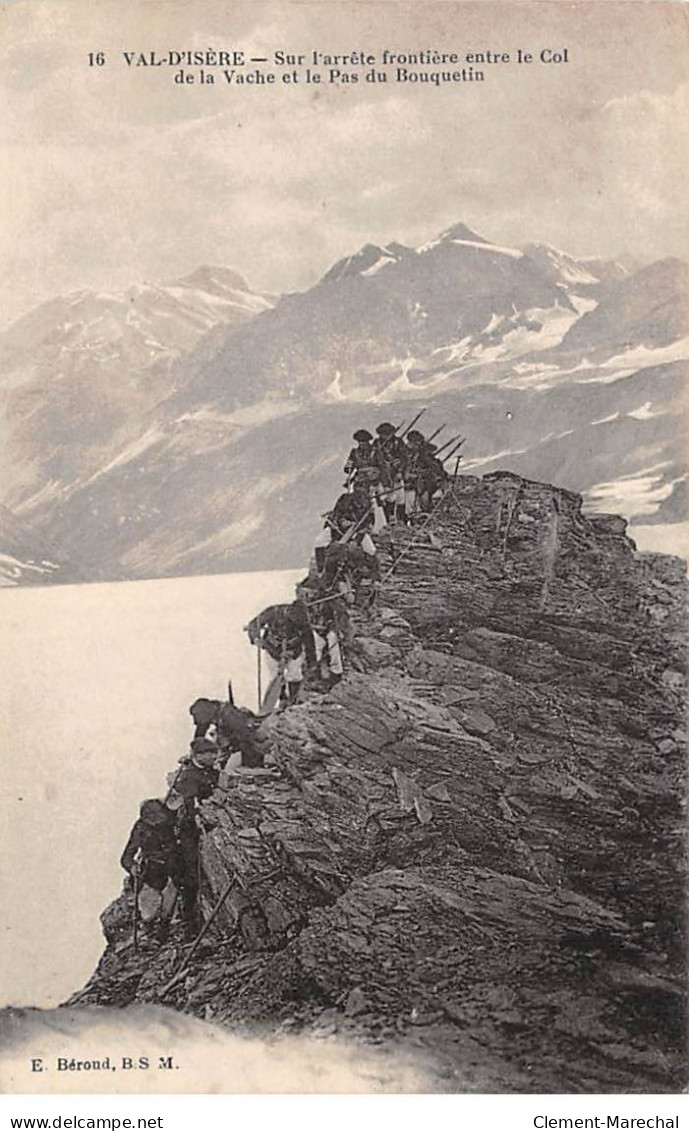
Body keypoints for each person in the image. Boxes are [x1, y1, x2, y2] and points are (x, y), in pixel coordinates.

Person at [169, 737, 220, 937]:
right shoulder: (189, 777)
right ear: (198, 755)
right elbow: (189, 805)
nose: (213, 757)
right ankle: (190, 921)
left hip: (208, 821)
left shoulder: (211, 772)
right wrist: (198, 819)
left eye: (214, 753)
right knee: (192, 873)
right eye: (209, 753)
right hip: (189, 829)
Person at [120, 798, 182, 944]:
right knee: (149, 912)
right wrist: (133, 867)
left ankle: (162, 934)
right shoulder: (141, 829)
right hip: (150, 874)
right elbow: (126, 857)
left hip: (172, 870)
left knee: (168, 908)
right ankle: (149, 931)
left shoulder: (171, 821)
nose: (157, 823)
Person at [246, 599, 316, 707]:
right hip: (272, 649)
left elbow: (309, 640)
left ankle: (293, 699)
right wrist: (256, 639)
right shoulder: (271, 612)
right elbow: (253, 625)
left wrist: (312, 660)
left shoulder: (302, 620)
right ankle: (282, 698)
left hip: (293, 650)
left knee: (295, 675)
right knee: (275, 676)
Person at [372, 422, 409, 524]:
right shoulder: (377, 443)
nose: (385, 436)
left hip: (396, 474)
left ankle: (402, 520)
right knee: (387, 498)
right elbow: (373, 458)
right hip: (383, 476)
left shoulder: (398, 442)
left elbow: (405, 458)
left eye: (387, 434)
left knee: (400, 497)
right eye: (383, 434)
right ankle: (389, 519)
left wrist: (400, 469)